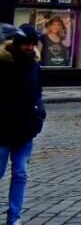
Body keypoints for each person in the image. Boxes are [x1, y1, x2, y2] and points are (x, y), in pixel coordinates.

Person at [0, 24, 45, 225]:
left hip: (26, 131)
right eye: (26, 44)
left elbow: (38, 94)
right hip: (1, 131)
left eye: (32, 44)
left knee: (21, 174)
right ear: (17, 44)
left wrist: (39, 114)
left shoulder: (34, 67)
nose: (29, 47)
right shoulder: (3, 65)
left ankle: (14, 218)